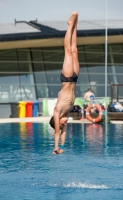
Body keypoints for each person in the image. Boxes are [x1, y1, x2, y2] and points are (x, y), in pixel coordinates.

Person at [49, 11, 80, 155]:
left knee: (68, 50)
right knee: (75, 51)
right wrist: (62, 146)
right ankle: (75, 25)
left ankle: (69, 25)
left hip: (67, 78)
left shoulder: (58, 112)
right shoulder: (65, 116)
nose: (64, 124)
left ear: (57, 122)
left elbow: (57, 133)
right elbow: (63, 137)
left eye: (62, 124)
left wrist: (55, 147)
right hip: (74, 79)